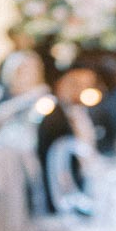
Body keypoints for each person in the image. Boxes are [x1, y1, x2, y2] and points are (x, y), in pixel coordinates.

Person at [36, 63, 99, 210]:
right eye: (75, 84)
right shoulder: (54, 117)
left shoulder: (87, 112)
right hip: (63, 192)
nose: (81, 89)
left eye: (87, 84)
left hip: (85, 184)